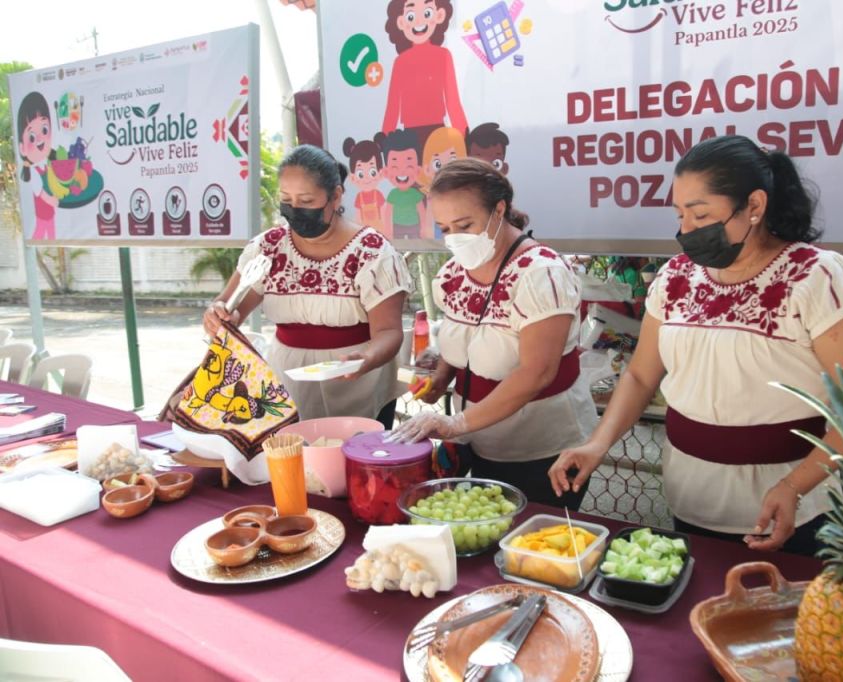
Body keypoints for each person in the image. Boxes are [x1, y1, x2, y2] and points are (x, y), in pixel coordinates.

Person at [549, 136, 843, 554]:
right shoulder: (677, 276)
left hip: (796, 505)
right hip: (691, 497)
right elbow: (640, 376)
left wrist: (795, 486)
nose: (686, 232)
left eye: (700, 215)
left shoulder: (819, 278)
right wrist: (597, 443)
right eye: (680, 216)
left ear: (755, 206)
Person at [389, 158, 599, 509]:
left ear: (499, 209)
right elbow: (469, 342)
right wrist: (442, 374)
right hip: (479, 439)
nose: (455, 238)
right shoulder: (456, 272)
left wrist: (456, 423)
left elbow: (538, 372)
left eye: (465, 224)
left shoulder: (541, 274)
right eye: (444, 228)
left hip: (542, 449)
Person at [203, 145, 412, 426]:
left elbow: (388, 332)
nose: (295, 209)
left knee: (353, 461)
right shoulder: (267, 248)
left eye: (306, 200)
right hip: (287, 381)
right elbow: (232, 307)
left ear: (335, 196)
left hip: (360, 383)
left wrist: (366, 358)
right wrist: (220, 315)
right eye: (286, 199)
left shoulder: (372, 252)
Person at [382, 0, 467, 143]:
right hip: (410, 134)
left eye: (427, 13)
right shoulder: (400, 62)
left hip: (438, 132)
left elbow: (453, 102)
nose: (420, 21)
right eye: (411, 16)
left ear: (439, 15)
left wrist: (465, 137)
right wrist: (384, 142)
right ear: (401, 22)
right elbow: (392, 108)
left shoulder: (443, 56)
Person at [16, 92, 58, 240]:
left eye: (44, 130)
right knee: (40, 232)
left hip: (50, 213)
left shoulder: (46, 164)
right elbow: (40, 193)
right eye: (32, 137)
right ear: (22, 148)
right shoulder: (34, 172)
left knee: (52, 235)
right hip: (42, 212)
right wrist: (51, 200)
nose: (40, 139)